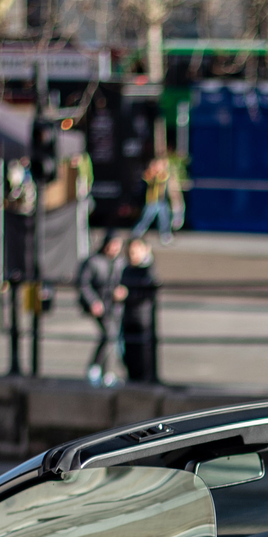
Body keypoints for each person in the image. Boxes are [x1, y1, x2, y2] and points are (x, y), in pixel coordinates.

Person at [75, 231, 126, 384]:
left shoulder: (120, 262)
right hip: (100, 306)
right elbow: (83, 284)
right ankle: (96, 368)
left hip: (114, 307)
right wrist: (93, 302)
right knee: (109, 334)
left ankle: (104, 371)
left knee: (112, 338)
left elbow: (124, 281)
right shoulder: (93, 261)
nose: (115, 249)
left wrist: (123, 291)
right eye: (113, 245)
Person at [117, 235, 160, 382]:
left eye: (136, 251)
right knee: (130, 356)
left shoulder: (148, 271)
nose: (132, 255)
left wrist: (127, 294)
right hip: (129, 319)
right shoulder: (126, 269)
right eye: (130, 251)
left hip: (143, 321)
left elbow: (147, 292)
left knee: (144, 358)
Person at [132, 139, 178, 241]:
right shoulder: (149, 174)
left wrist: (163, 169)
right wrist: (153, 172)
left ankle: (165, 234)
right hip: (151, 201)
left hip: (161, 200)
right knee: (146, 218)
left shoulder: (163, 174)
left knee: (164, 218)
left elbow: (163, 178)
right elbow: (148, 180)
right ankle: (137, 232)